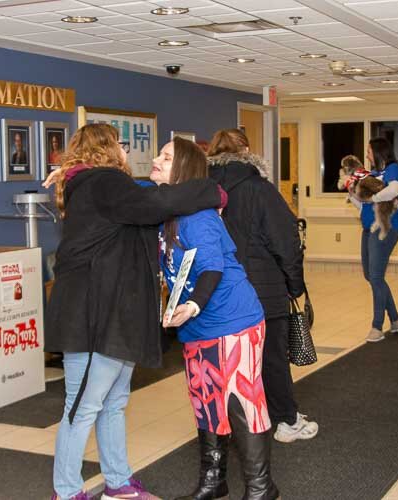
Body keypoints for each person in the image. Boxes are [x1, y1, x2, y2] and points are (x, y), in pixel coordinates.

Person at [44, 124, 223, 500]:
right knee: (83, 406)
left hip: (113, 317)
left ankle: (118, 481)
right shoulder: (102, 182)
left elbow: (146, 195)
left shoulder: (99, 185)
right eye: (121, 144)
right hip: (96, 319)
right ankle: (66, 490)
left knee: (113, 403)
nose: (129, 152)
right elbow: (157, 203)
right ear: (108, 148)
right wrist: (212, 190)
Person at [153, 136, 279, 500]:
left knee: (242, 403)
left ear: (182, 170)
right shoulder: (166, 213)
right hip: (196, 327)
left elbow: (211, 268)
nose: (157, 160)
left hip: (234, 320)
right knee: (206, 402)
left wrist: (192, 305)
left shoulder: (198, 216)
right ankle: (214, 481)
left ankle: (260, 488)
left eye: (165, 157)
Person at [207, 128, 318, 445]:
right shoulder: (260, 188)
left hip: (218, 290)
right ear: (245, 151)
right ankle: (286, 420)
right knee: (271, 357)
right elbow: (286, 241)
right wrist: (295, 285)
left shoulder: (201, 190)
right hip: (263, 289)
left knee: (226, 361)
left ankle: (229, 424)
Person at [348, 137, 398, 343]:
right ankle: (395, 320)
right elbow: (362, 206)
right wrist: (354, 195)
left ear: (379, 152)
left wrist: (371, 197)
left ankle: (377, 326)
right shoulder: (371, 175)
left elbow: (393, 191)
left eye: (369, 151)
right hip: (368, 228)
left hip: (385, 228)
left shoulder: (394, 169)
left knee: (375, 276)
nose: (367, 155)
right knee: (372, 275)